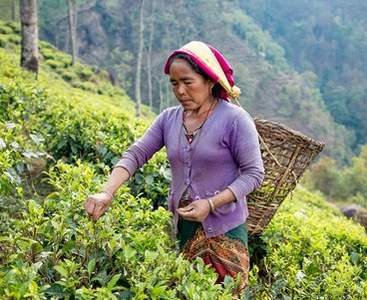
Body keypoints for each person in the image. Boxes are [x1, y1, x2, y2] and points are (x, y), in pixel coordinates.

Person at [84, 41, 265, 294]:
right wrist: (107, 191)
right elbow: (136, 154)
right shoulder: (168, 118)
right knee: (187, 291)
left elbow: (254, 174)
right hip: (185, 224)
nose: (180, 90)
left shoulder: (235, 119)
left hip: (226, 228)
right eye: (174, 83)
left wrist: (211, 204)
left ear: (210, 81)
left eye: (187, 82)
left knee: (225, 293)